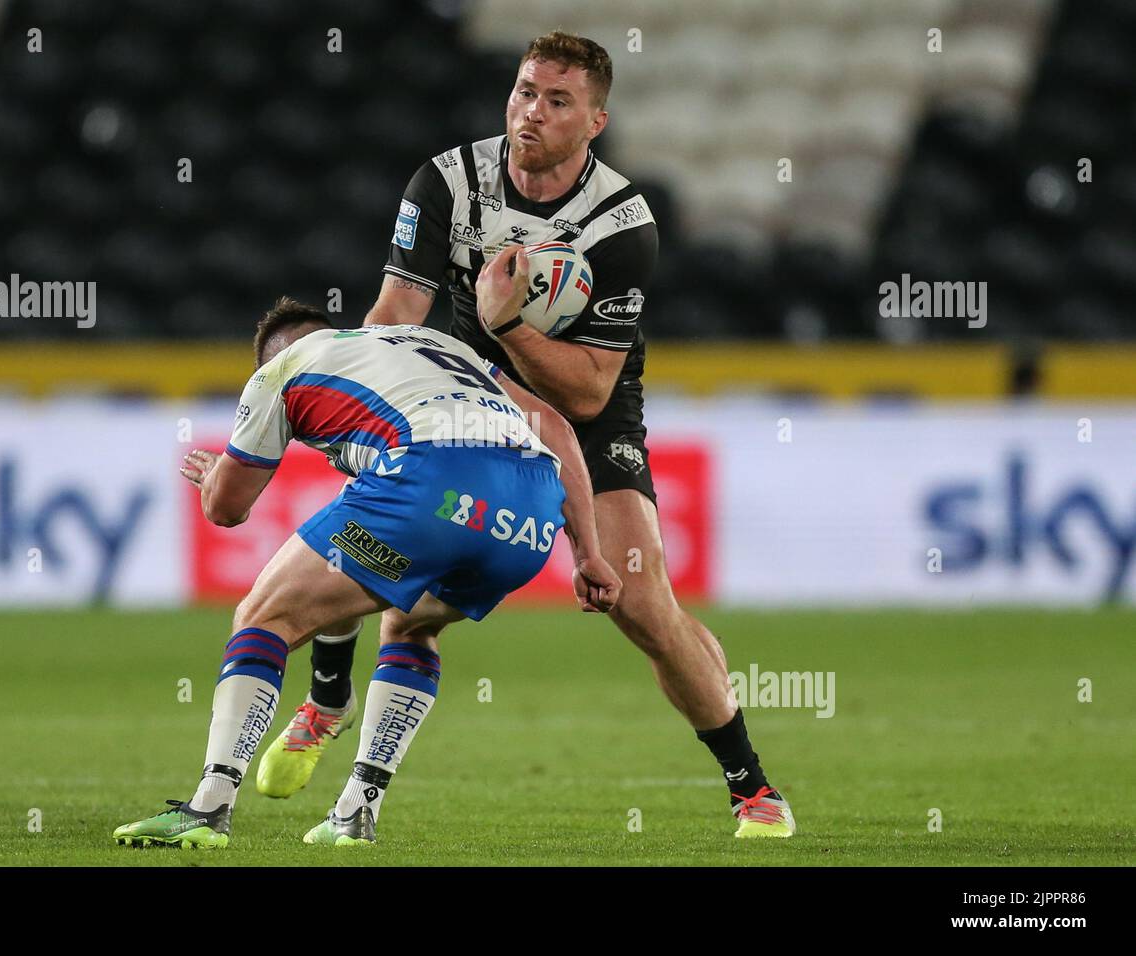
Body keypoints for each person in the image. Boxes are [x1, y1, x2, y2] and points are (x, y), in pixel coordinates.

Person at [260, 30, 794, 838]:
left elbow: (588, 390)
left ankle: (752, 787)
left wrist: (506, 326)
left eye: (556, 101)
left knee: (644, 606)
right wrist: (369, 399)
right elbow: (395, 314)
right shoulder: (445, 180)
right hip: (463, 394)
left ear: (595, 122)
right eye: (522, 91)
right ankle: (331, 713)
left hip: (587, 402)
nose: (530, 113)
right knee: (393, 571)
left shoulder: (622, 223)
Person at [112, 248, 621, 848]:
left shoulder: (279, 371)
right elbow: (558, 429)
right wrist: (588, 553)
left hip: (432, 478)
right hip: (531, 511)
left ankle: (209, 808)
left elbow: (228, 510)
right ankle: (354, 812)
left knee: (264, 617)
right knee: (407, 623)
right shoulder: (432, 344)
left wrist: (213, 479)